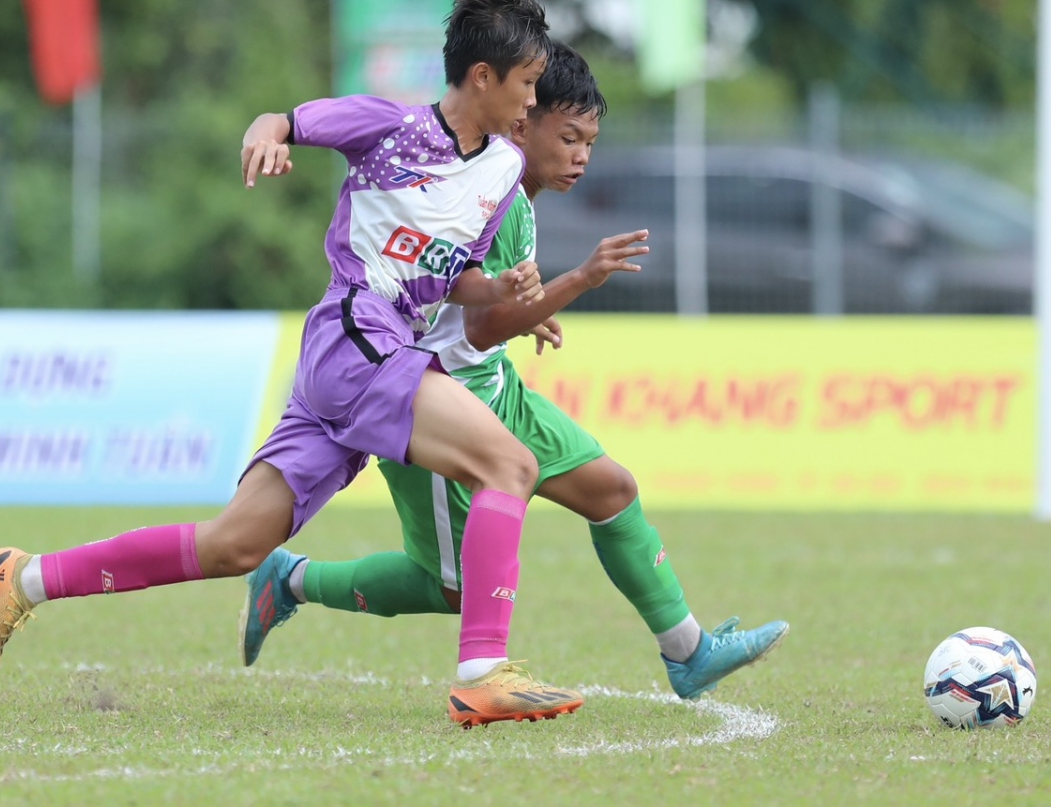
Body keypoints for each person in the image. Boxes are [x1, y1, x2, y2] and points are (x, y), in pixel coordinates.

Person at [0, 0, 586, 727]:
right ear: (482, 76)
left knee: (234, 544)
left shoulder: (497, 173)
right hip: (357, 337)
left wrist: (504, 295)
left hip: (358, 356)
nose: (533, 101)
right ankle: (483, 671)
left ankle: (23, 579)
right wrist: (266, 139)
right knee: (510, 463)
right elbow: (281, 121)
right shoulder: (392, 126)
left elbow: (452, 280)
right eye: (526, 84)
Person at [239, 41, 790, 712]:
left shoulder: (513, 199)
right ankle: (291, 580)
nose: (582, 155)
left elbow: (492, 315)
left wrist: (532, 310)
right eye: (569, 136)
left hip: (495, 385)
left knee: (612, 489)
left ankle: (689, 651)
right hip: (436, 396)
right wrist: (576, 281)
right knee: (452, 589)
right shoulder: (488, 188)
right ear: (521, 122)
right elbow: (478, 326)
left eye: (589, 141)